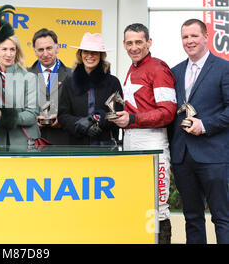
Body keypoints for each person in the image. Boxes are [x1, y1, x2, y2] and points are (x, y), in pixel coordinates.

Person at [111, 23, 177, 244]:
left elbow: (168, 112)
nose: (134, 47)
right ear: (124, 44)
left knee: (158, 205)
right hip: (131, 140)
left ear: (149, 42)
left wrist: (132, 119)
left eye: (139, 42)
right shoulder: (132, 68)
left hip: (153, 140)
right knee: (138, 201)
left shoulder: (158, 68)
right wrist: (123, 117)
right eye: (129, 43)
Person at [169, 18, 229, 244]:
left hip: (213, 156)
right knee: (192, 218)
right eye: (185, 37)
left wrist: (204, 125)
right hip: (183, 157)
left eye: (194, 36)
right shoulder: (175, 72)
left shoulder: (224, 68)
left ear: (206, 37)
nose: (189, 41)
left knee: (222, 218)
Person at [0, 5, 40, 146]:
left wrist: (2, 116)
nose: (9, 54)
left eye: (12, 49)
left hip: (25, 144)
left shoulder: (29, 78)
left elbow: (31, 115)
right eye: (4, 49)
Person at [57, 32, 122, 145]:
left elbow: (118, 114)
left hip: (106, 145)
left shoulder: (113, 82)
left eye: (94, 52)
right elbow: (63, 116)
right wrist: (81, 124)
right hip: (77, 146)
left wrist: (97, 120)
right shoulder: (69, 81)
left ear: (101, 55)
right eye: (86, 51)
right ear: (80, 54)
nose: (90, 56)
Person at [28, 28, 71, 145]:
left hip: (63, 143)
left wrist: (62, 119)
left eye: (49, 48)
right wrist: (31, 120)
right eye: (40, 50)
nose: (45, 54)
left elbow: (79, 110)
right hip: (33, 143)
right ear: (35, 51)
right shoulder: (24, 76)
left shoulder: (73, 75)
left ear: (57, 48)